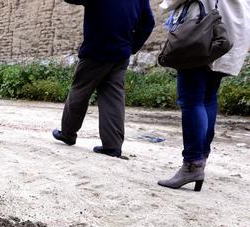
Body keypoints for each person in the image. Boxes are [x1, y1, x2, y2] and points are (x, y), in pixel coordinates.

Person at [158, 0, 249, 191]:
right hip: (229, 35)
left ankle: (193, 163)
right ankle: (200, 160)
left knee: (191, 99)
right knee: (208, 98)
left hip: (202, 35)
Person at [52, 0, 155, 158]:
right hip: (121, 52)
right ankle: (112, 146)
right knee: (113, 96)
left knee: (80, 90)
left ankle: (68, 134)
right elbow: (148, 23)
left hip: (96, 49)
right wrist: (132, 46)